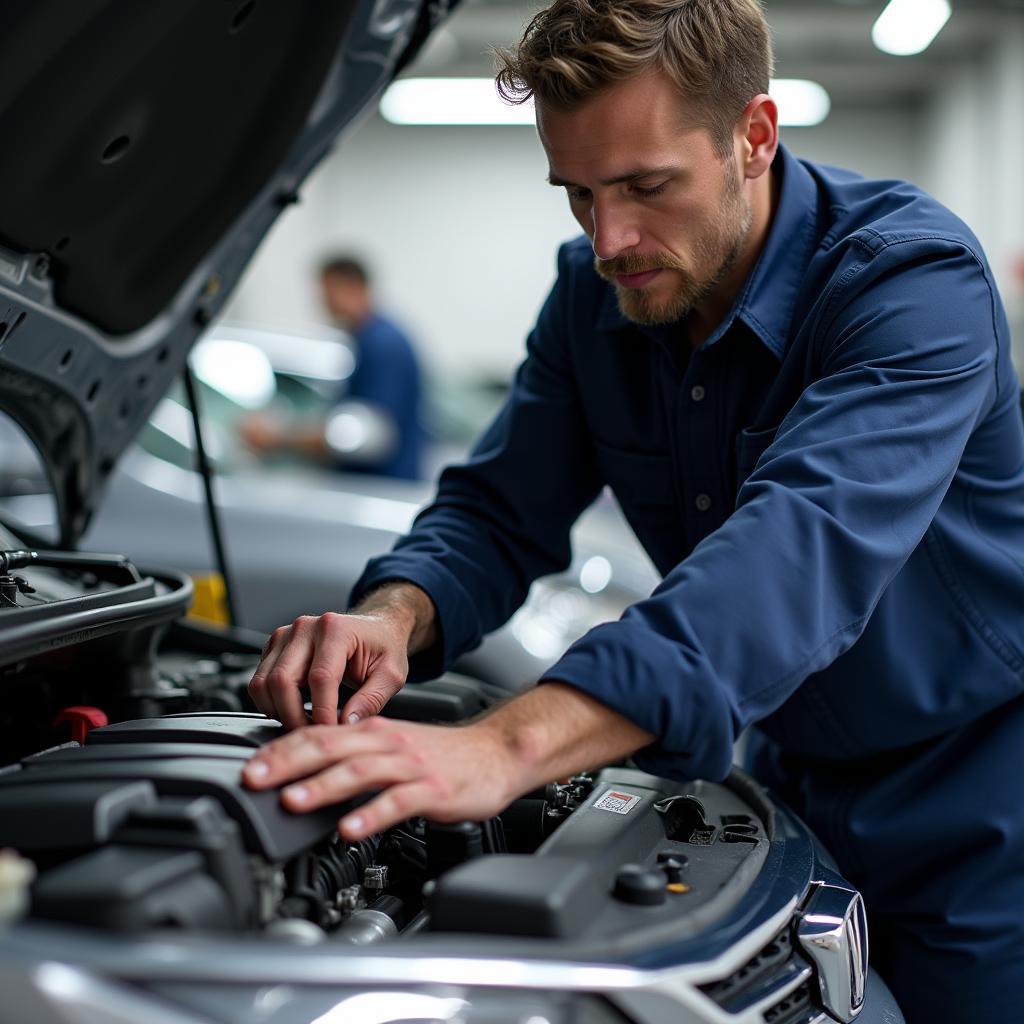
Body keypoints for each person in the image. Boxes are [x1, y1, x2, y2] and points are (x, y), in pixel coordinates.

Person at [241, 2, 1024, 1018]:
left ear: (754, 135)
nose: (610, 239)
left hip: (980, 804)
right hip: (782, 783)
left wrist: (504, 747)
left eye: (647, 187)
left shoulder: (909, 284)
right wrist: (394, 613)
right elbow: (496, 508)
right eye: (577, 194)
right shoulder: (596, 294)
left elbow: (793, 552)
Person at [240, 255, 423, 479]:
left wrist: (279, 437)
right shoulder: (370, 338)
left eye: (328, 292)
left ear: (353, 287)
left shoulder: (382, 344)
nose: (324, 303)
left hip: (379, 489)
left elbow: (364, 434)